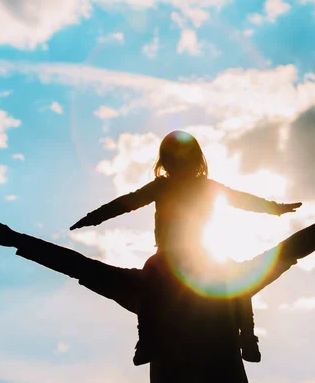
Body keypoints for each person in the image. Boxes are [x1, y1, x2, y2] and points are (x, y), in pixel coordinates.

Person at [0, 195, 315, 383]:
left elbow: (77, 265)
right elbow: (290, 249)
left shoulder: (193, 286)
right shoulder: (222, 284)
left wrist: (18, 239)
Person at [69, 130, 303, 365]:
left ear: (194, 160)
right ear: (167, 163)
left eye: (184, 158)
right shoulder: (160, 187)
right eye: (174, 159)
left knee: (235, 274)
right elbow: (125, 203)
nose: (180, 164)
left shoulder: (206, 187)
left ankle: (248, 336)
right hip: (168, 256)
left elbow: (241, 199)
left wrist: (274, 208)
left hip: (200, 253)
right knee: (152, 271)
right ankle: (147, 337)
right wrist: (94, 217)